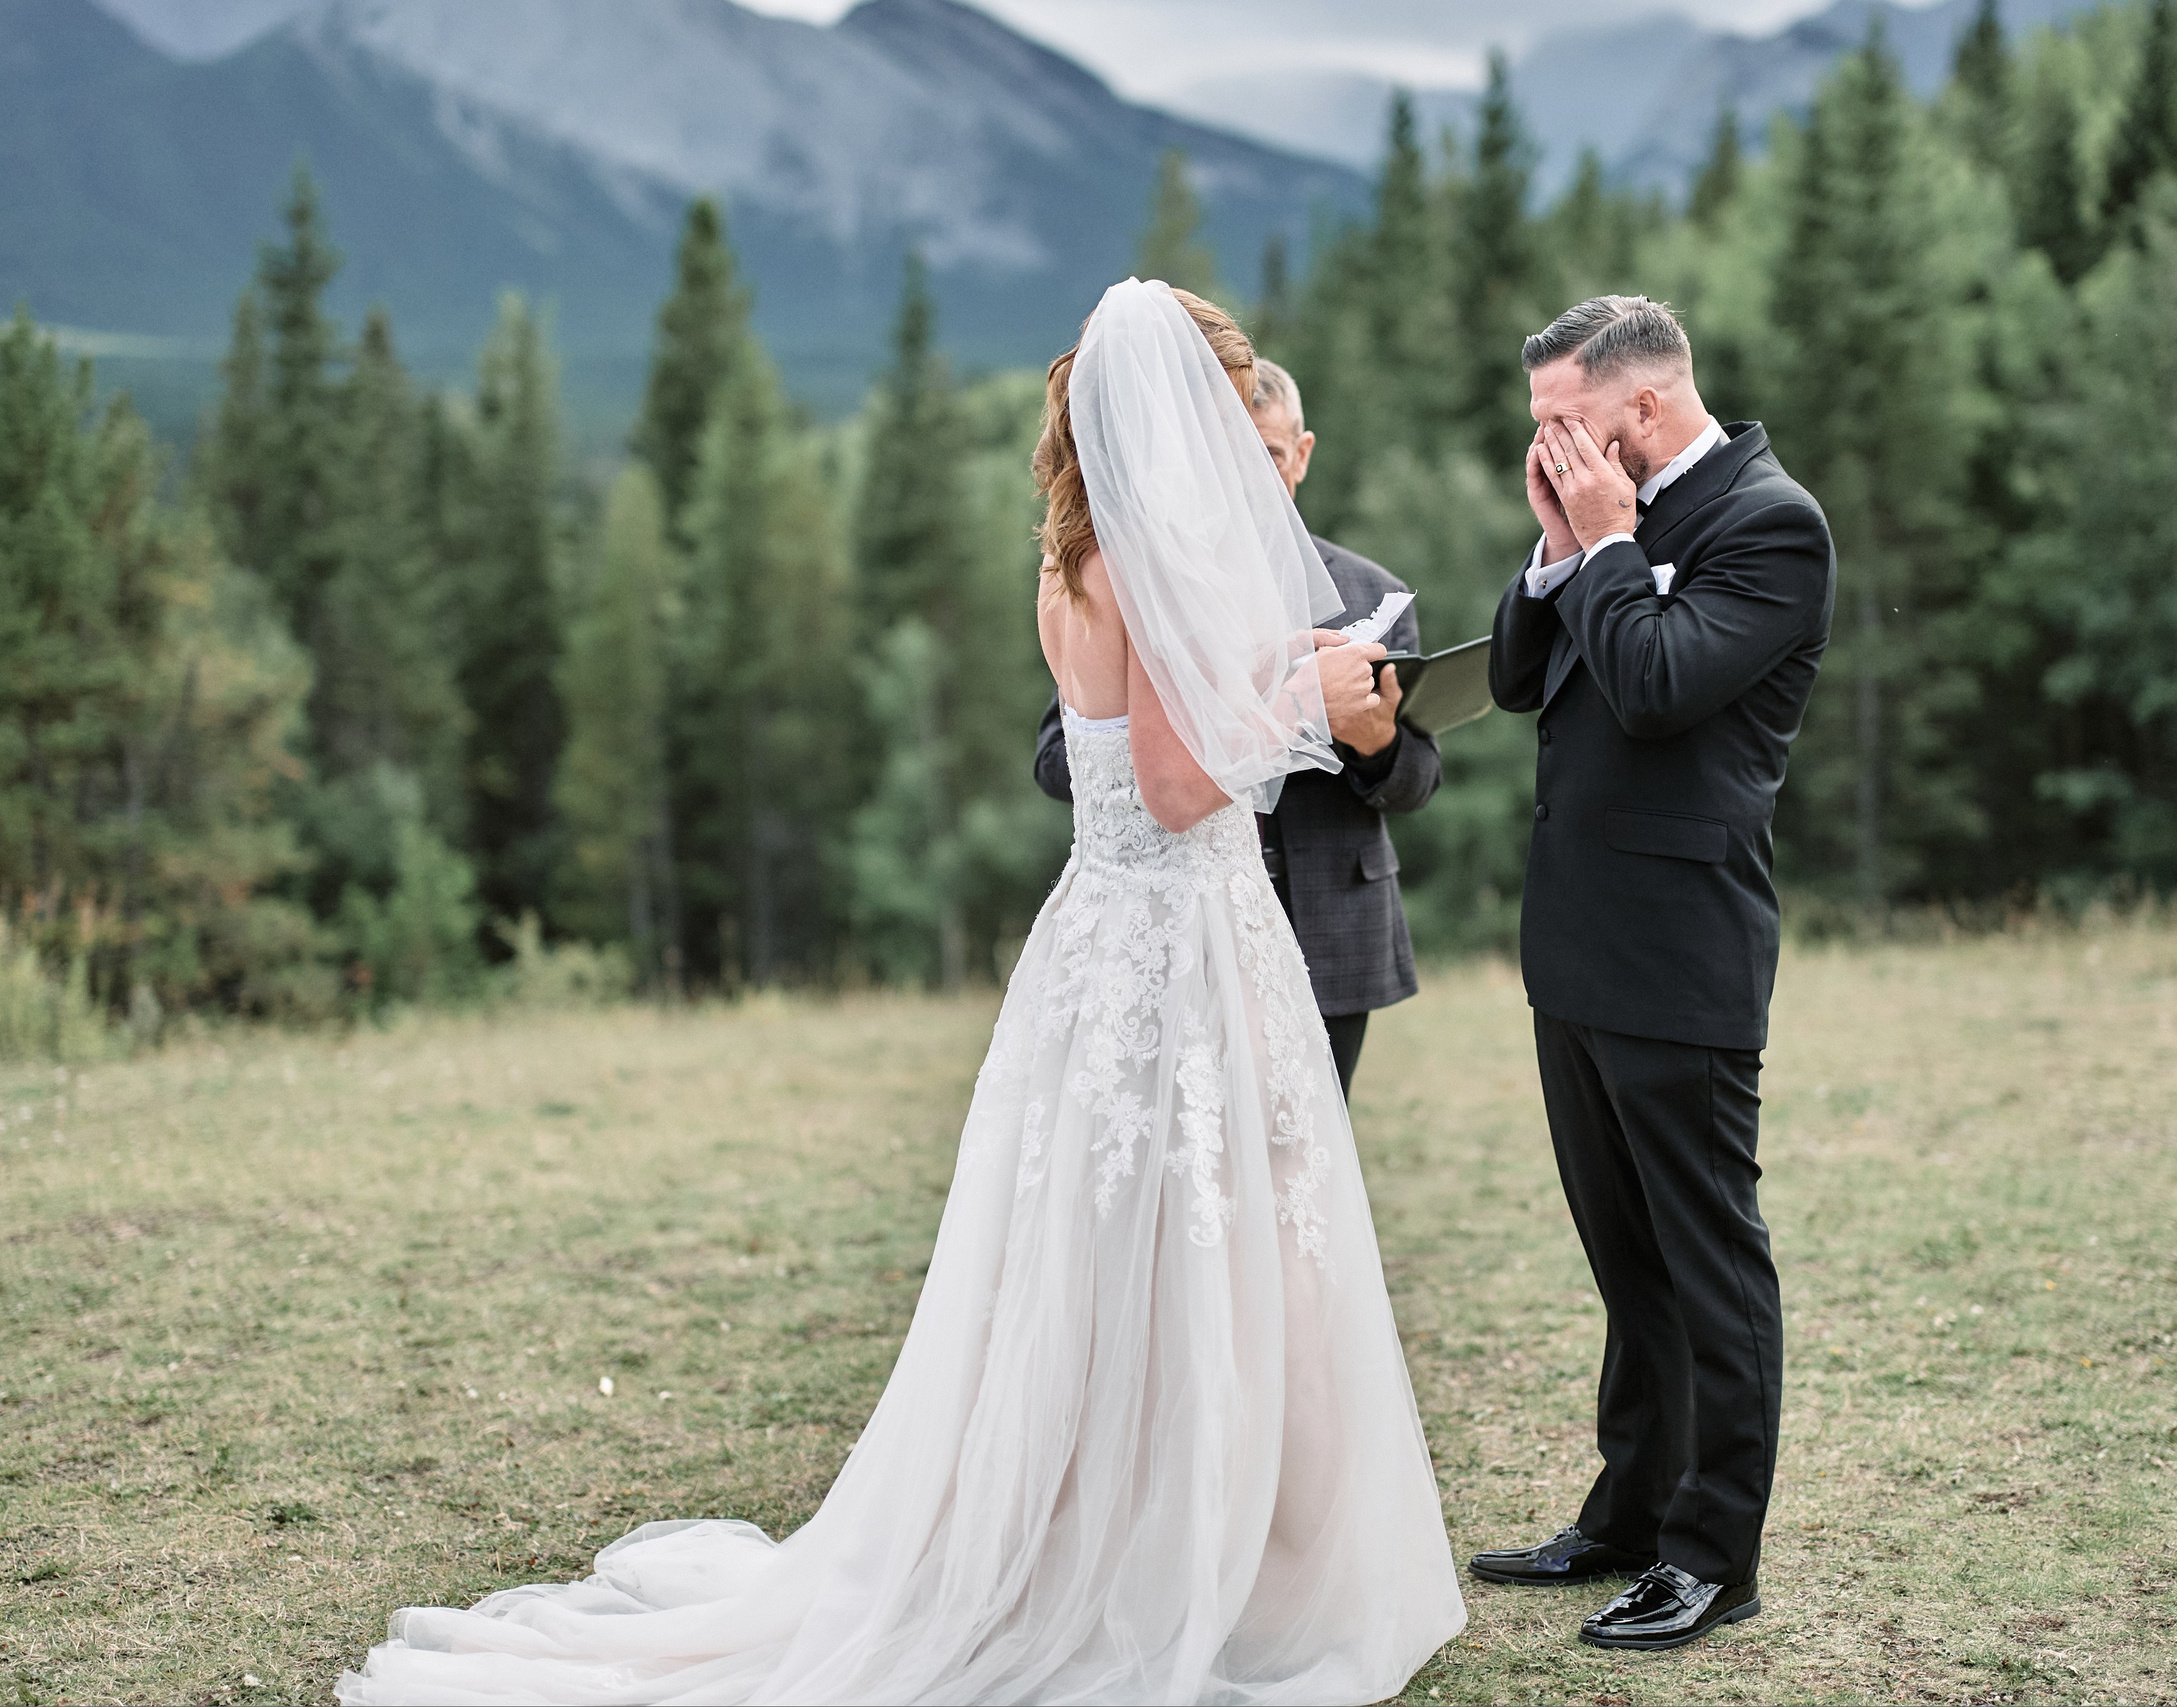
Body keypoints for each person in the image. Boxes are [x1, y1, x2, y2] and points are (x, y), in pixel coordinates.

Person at [338, 281, 1465, 1705]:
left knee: (1105, 1256)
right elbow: (1183, 785)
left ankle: (1159, 1529)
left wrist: (1276, 674)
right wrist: (1324, 707)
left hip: (1108, 937)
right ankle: (1186, 1566)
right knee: (1199, 1251)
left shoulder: (1073, 555)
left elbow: (1136, 736)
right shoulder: (1145, 560)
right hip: (1178, 941)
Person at [1467, 296, 1834, 1652]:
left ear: (1632, 408)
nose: (1548, 443)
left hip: (1683, 945)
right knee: (1628, 1263)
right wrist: (1564, 547)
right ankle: (1627, 1511)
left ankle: (1712, 1551)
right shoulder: (1599, 521)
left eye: (1561, 419)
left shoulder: (1769, 521)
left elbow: (1660, 684)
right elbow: (1518, 677)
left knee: (1708, 1259)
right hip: (1575, 940)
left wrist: (1610, 540)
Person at [1033, 357, 1439, 1092]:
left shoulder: (1368, 590)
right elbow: (1070, 748)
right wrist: (1287, 708)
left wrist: (1369, 739)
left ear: (1302, 454)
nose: (1246, 474)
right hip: (1185, 914)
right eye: (1230, 449)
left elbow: (1419, 777)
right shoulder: (1153, 580)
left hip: (1329, 920)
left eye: (1270, 455)